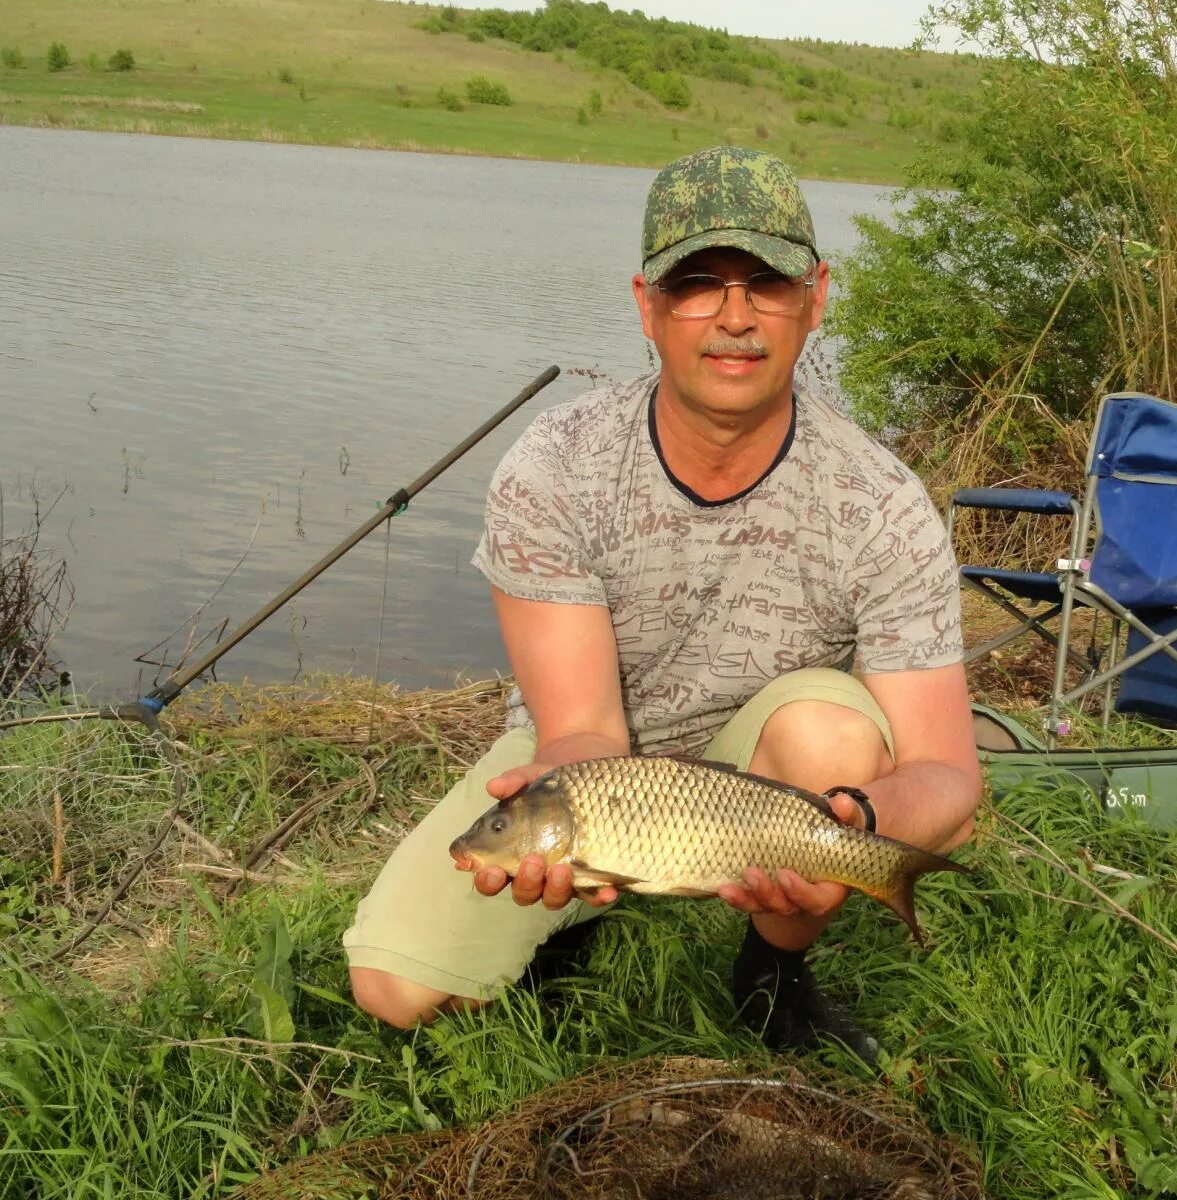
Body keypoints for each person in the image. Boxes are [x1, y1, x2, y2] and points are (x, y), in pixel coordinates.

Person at [344, 146, 981, 1060]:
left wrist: (858, 829)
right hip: (598, 769)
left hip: (766, 765)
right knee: (394, 990)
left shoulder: (880, 503)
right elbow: (584, 732)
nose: (734, 317)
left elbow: (948, 777)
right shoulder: (556, 466)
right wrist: (556, 810)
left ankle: (772, 966)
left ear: (816, 298)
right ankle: (591, 905)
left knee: (833, 737)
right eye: (697, 283)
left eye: (766, 282)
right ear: (648, 306)